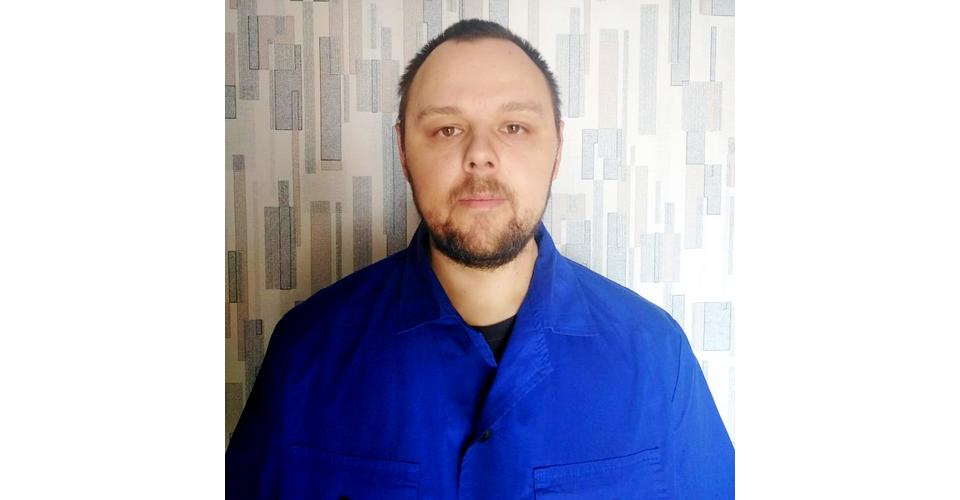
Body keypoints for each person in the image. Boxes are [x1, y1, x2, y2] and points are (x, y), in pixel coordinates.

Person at [226, 19, 734, 499]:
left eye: (514, 127)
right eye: (447, 129)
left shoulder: (656, 357)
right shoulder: (307, 350)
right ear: (403, 150)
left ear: (557, 149)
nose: (480, 154)